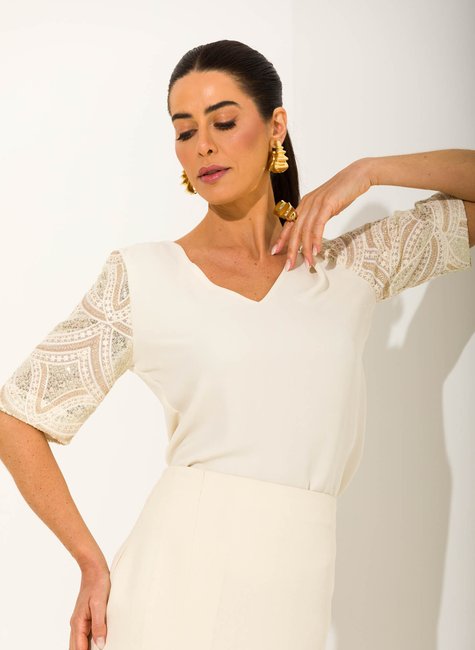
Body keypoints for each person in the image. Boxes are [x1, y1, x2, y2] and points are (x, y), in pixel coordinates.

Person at [0, 39, 473, 650]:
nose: (203, 145)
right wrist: (90, 562)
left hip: (297, 590)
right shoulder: (143, 277)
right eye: (184, 130)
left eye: (223, 122)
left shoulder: (353, 265)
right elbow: (17, 418)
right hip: (172, 587)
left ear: (276, 126)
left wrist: (368, 170)